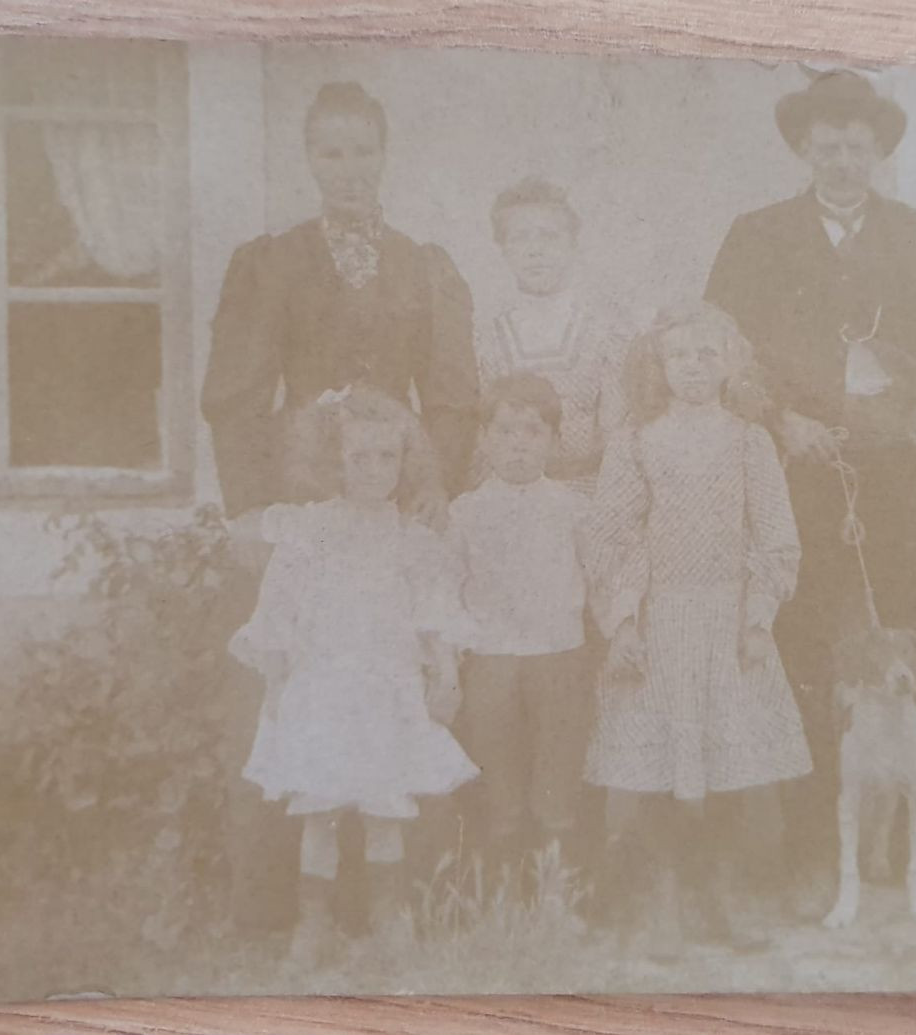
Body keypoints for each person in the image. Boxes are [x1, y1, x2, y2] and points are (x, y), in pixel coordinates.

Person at [704, 70, 916, 917]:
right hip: (803, 468)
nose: (842, 160)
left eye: (857, 146)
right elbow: (723, 348)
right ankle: (811, 854)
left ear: (878, 153)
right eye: (826, 145)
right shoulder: (756, 237)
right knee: (808, 654)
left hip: (904, 469)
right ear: (803, 150)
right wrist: (778, 419)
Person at [584, 300, 811, 956]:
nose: (691, 367)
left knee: (726, 765)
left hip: (728, 622)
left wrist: (758, 617)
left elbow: (775, 537)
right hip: (660, 623)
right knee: (662, 767)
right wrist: (623, 620)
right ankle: (665, 901)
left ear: (729, 362)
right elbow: (611, 533)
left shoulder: (748, 441)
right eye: (678, 355)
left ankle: (718, 894)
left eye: (706, 354)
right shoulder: (636, 440)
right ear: (659, 364)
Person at [229, 386, 476, 964]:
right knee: (321, 809)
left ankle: (387, 919)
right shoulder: (315, 528)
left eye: (386, 457)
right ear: (332, 461)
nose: (373, 470)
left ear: (404, 461)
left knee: (384, 810)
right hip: (323, 685)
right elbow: (284, 600)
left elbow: (433, 610)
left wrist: (445, 673)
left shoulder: (408, 536)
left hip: (386, 685)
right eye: (358, 457)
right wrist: (276, 679)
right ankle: (312, 925)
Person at [203, 80, 479, 518]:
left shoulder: (423, 265)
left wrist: (437, 483)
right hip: (300, 482)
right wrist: (249, 507)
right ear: (310, 160)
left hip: (399, 484)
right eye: (331, 154)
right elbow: (238, 400)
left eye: (365, 152)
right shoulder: (273, 261)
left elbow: (452, 400)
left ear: (384, 155)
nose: (350, 171)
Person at [448, 372, 595, 876]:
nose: (518, 445)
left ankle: (556, 892)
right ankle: (505, 893)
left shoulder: (573, 508)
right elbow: (448, 591)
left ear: (554, 441)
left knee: (557, 771)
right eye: (506, 431)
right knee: (499, 774)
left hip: (558, 656)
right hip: (492, 659)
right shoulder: (465, 513)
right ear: (484, 439)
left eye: (532, 432)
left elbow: (601, 576)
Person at [473, 177, 630, 495]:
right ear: (503, 249)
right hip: (510, 492)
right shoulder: (483, 338)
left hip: (590, 493)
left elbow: (617, 437)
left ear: (573, 244)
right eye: (520, 238)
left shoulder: (608, 332)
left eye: (549, 236)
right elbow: (482, 438)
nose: (535, 251)